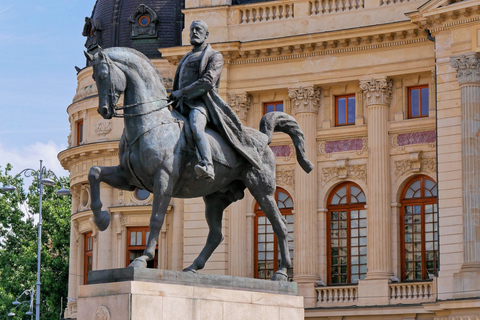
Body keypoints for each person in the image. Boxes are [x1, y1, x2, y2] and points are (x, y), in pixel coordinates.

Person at [170, 20, 260, 180]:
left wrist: (182, 92)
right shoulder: (185, 58)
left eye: (198, 30)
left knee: (197, 128)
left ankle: (207, 165)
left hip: (201, 104)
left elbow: (208, 81)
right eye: (192, 30)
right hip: (180, 106)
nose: (194, 33)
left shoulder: (214, 56)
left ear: (206, 35)